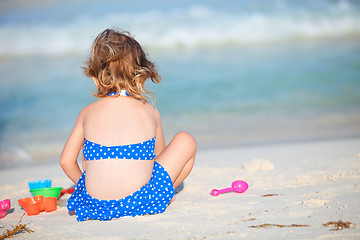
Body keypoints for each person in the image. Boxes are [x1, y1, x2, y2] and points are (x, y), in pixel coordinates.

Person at [60, 28, 196, 222]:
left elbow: (66, 161)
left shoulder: (87, 113)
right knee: (186, 140)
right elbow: (157, 159)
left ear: (94, 76)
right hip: (140, 201)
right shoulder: (150, 112)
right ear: (142, 76)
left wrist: (84, 185)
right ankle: (163, 196)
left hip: (96, 203)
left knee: (87, 148)